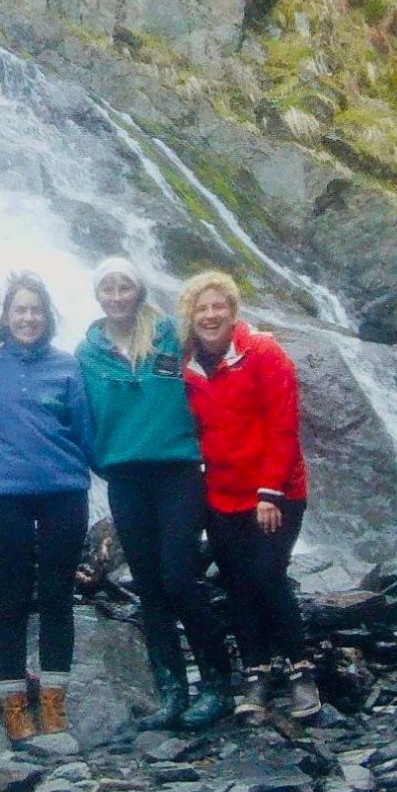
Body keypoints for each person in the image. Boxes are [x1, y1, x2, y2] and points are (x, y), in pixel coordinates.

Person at [77, 256, 236, 731]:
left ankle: (218, 686)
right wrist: (101, 460)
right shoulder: (87, 353)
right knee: (148, 588)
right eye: (108, 288)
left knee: (179, 580)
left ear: (139, 291)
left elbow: (221, 340)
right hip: (126, 478)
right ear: (98, 295)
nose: (117, 296)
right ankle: (171, 692)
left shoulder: (170, 333)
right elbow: (80, 415)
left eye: (125, 286)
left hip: (177, 472)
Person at [178, 270, 320, 721]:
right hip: (221, 494)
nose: (210, 315)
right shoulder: (186, 365)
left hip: (275, 491)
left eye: (218, 306)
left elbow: (283, 425)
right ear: (190, 316)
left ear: (233, 311)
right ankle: (256, 673)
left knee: (267, 574)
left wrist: (270, 493)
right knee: (238, 583)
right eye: (201, 308)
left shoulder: (263, 353)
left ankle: (300, 671)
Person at [0, 271, 94, 745]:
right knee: (11, 600)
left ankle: (54, 702)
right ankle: (14, 703)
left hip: (64, 492)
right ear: (6, 317)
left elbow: (85, 429)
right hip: (5, 495)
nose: (28, 318)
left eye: (36, 310)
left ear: (47, 317)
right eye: (19, 310)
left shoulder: (68, 367)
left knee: (58, 597)